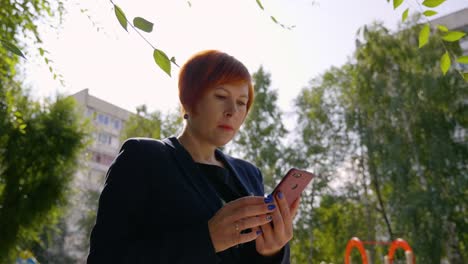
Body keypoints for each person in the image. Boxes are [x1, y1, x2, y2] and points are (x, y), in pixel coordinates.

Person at [87, 50, 301, 263]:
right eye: (221, 96)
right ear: (188, 100)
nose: (232, 111)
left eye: (242, 102)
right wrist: (207, 240)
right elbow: (105, 257)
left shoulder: (250, 174)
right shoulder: (142, 158)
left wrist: (272, 252)